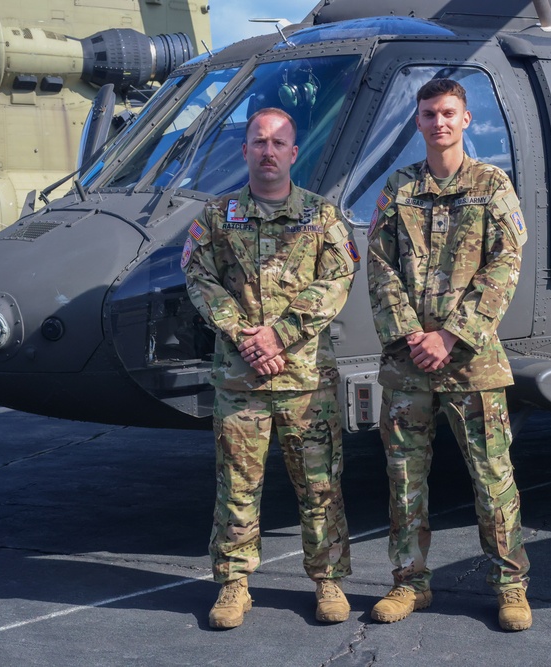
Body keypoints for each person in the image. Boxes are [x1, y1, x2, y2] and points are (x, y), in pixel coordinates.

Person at [183, 107, 360, 629]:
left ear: (293, 153)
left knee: (321, 485)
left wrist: (277, 335)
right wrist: (244, 334)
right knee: (236, 485)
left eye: (278, 142)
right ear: (245, 151)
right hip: (243, 380)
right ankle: (234, 584)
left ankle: (329, 582)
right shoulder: (217, 218)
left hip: (306, 381)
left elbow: (337, 281)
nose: (268, 150)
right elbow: (199, 277)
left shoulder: (321, 218)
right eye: (258, 141)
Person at [366, 79, 532, 632]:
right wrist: (414, 333)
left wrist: (451, 335)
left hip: (473, 360)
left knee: (492, 478)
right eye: (429, 113)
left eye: (449, 113)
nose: (439, 122)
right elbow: (379, 266)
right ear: (418, 121)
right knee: (404, 479)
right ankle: (408, 584)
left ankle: (511, 587)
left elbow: (506, 264)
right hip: (408, 363)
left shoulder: (491, 185)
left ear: (466, 120)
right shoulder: (398, 188)